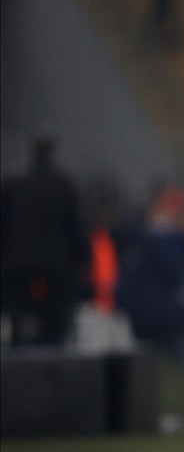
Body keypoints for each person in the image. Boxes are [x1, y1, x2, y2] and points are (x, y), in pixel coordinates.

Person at [0, 137, 91, 346]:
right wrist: (83, 260)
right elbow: (75, 226)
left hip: (19, 267)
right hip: (56, 267)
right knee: (56, 324)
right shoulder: (63, 185)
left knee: (18, 321)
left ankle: (19, 350)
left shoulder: (14, 185)